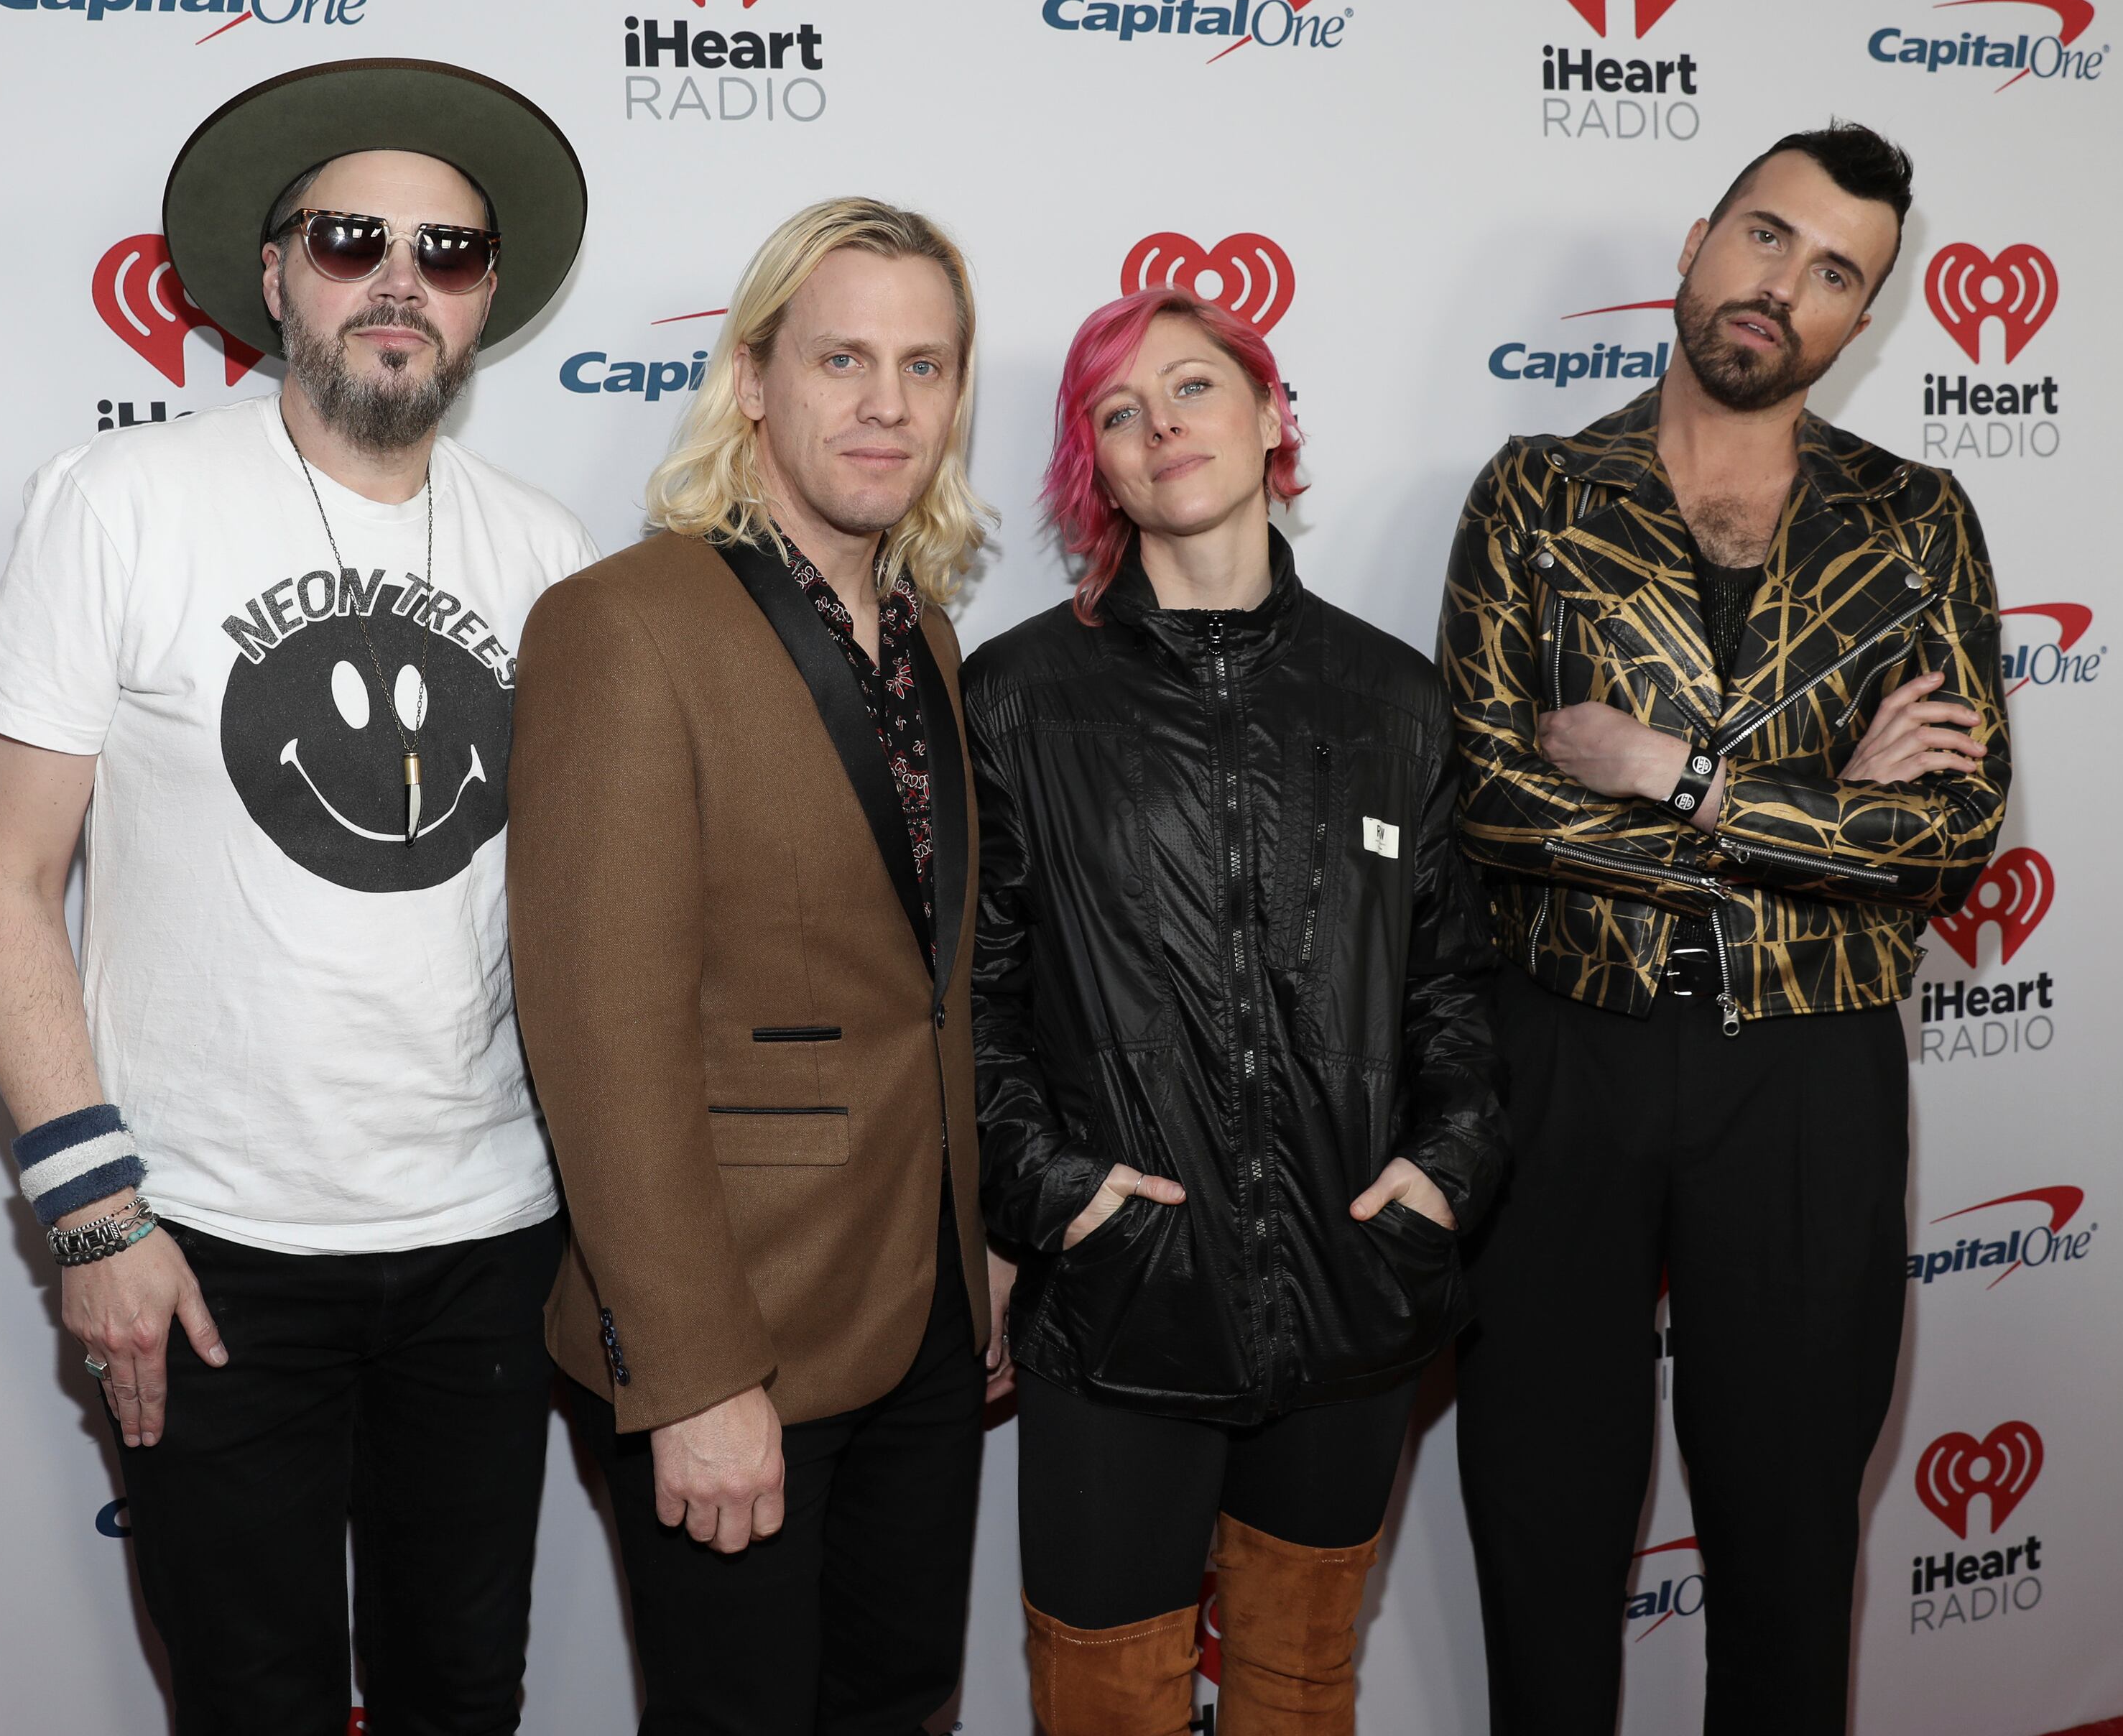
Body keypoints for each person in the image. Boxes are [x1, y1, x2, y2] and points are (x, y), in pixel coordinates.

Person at [0, 58, 594, 1733]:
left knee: (468, 1692)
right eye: (353, 237)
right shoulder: (121, 502)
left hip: (486, 1237)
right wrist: (94, 1217)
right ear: (275, 270)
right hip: (206, 1244)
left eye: (446, 252)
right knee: (254, 1699)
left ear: (488, 298)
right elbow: (6, 882)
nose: (400, 279)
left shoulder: (551, 554)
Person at [1438, 122, 2011, 1733]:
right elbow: (1496, 800)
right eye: (1767, 236)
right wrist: (1828, 806)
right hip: (1565, 1055)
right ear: (1698, 242)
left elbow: (1951, 833)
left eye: (1837, 272)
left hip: (1812, 1080)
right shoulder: (1541, 492)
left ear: (1863, 320)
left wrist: (1670, 771)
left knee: (1786, 1537)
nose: (1786, 284)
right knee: (1543, 1525)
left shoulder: (1919, 521)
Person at [967, 287, 1508, 1735]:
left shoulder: (1395, 696)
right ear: (1098, 463)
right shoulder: (1015, 695)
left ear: (1273, 417)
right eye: (1118, 410)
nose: (1162, 427)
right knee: (1105, 1704)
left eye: (1194, 387)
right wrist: (1061, 1194)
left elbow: (1460, 978)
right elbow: (969, 996)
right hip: (1124, 1298)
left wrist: (1445, 1173)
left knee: (1298, 1680)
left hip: (1355, 1287)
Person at [508, 197, 999, 1735]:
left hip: (924, 1307)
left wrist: (977, 1240)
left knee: (899, 1699)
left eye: (926, 366)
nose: (886, 402)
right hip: (735, 1327)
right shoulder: (622, 624)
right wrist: (696, 1372)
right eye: (843, 356)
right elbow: (602, 1034)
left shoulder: (925, 633)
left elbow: (930, 982)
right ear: (751, 380)